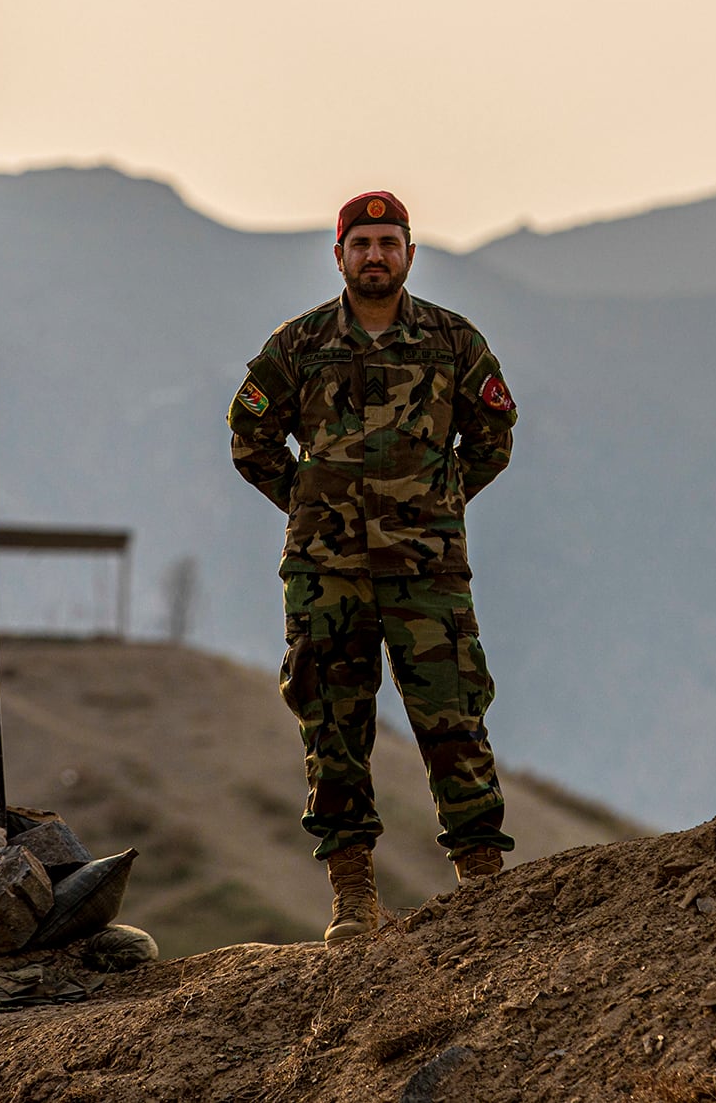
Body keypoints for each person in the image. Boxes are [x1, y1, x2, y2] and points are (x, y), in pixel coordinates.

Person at [227, 190, 519, 940]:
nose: (376, 255)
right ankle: (353, 894)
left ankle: (482, 882)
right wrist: (309, 503)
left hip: (427, 572)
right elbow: (250, 435)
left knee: (453, 717)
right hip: (328, 574)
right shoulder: (300, 345)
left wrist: (437, 503)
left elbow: (492, 436)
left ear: (411, 254)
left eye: (389, 242)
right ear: (340, 257)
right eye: (362, 244)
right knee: (334, 725)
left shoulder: (453, 343)